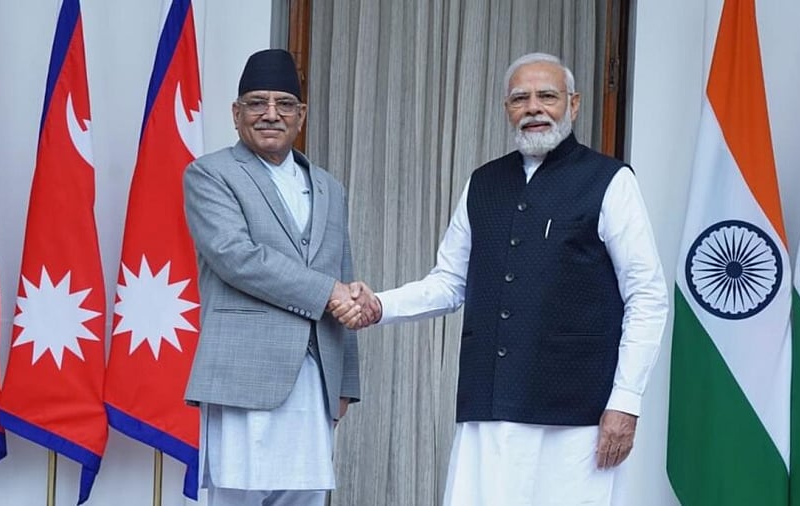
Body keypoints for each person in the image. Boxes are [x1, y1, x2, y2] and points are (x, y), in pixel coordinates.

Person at [333, 52, 668, 506]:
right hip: (491, 405)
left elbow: (647, 297)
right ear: (507, 109)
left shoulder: (610, 181)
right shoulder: (483, 182)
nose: (533, 107)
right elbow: (449, 282)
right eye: (520, 98)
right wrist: (380, 305)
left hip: (578, 415)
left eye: (546, 96)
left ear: (573, 104)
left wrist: (625, 402)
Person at [183, 48, 370, 506]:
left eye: (284, 104)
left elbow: (342, 273)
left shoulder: (329, 185)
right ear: (236, 113)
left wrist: (345, 381)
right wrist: (328, 291)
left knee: (305, 497)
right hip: (243, 375)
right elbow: (237, 257)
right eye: (256, 103)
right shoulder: (211, 174)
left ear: (300, 115)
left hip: (315, 377)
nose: (271, 114)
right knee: (240, 497)